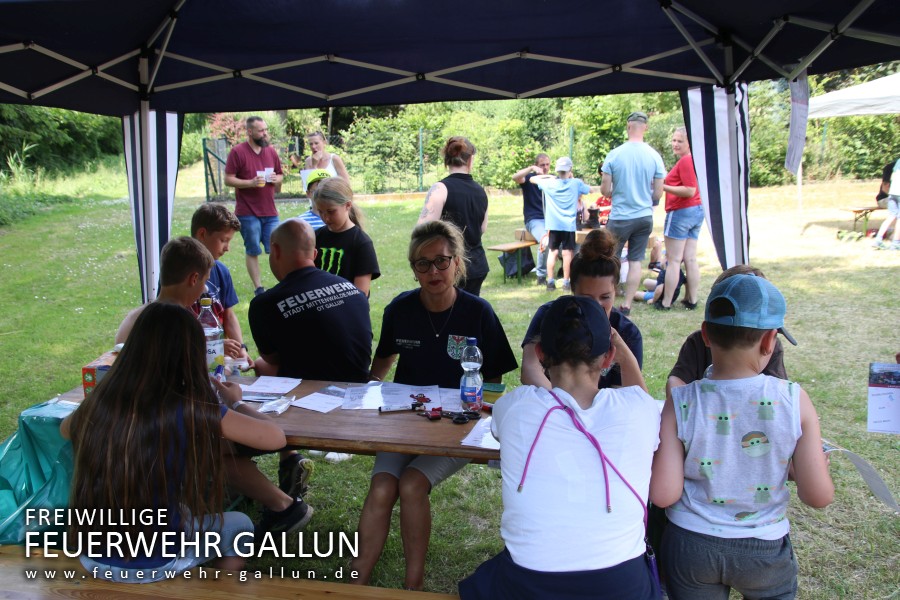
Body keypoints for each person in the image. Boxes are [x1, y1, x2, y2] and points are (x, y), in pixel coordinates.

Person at [61, 303, 288, 582]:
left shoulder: (100, 404)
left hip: (92, 557)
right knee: (239, 525)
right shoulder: (191, 409)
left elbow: (65, 429)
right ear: (189, 356)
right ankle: (217, 590)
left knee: (182, 512)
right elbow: (275, 438)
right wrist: (235, 402)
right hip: (155, 563)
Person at [352, 220, 518, 590]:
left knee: (411, 483)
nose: (433, 272)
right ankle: (355, 580)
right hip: (405, 421)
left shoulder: (479, 312)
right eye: (422, 264)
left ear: (458, 263)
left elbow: (494, 384)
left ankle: (414, 585)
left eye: (441, 261)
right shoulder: (400, 309)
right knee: (381, 487)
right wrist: (359, 395)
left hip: (457, 425)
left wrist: (476, 414)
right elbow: (379, 369)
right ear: (413, 269)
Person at [114, 237, 316, 539]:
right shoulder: (181, 327)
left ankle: (274, 503)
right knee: (213, 448)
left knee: (214, 446)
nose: (206, 290)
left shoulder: (139, 318)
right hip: (176, 431)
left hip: (142, 431)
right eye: (206, 282)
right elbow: (271, 436)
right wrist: (233, 402)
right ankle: (279, 504)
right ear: (194, 278)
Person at [459, 296, 659, 600]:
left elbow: (533, 399)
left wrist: (531, 350)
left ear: (541, 354)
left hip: (530, 586)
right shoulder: (639, 409)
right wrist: (624, 355)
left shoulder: (515, 408)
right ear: (609, 358)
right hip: (622, 586)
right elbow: (640, 397)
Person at [650, 274, 834, 600]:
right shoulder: (794, 400)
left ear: (705, 334)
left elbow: (663, 495)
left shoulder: (679, 402)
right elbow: (818, 496)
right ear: (770, 342)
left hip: (691, 546)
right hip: (764, 549)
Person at [249, 218, 372, 383]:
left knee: (260, 364)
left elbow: (271, 359)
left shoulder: (264, 304)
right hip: (358, 385)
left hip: (312, 392)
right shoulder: (353, 289)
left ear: (276, 250)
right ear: (314, 254)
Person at [521, 228, 643, 390]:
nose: (596, 306)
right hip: (552, 408)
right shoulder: (551, 316)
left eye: (605, 297)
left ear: (615, 290)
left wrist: (624, 354)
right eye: (587, 299)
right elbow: (529, 370)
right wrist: (563, 405)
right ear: (573, 291)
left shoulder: (627, 333)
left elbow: (627, 395)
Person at [666, 265, 792, 398]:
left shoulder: (773, 345)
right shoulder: (696, 342)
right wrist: (682, 405)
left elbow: (779, 389)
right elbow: (676, 381)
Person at [599, 111, 665, 316]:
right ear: (645, 128)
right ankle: (627, 304)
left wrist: (614, 193)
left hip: (620, 216)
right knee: (636, 260)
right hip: (644, 216)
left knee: (611, 258)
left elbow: (604, 189)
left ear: (628, 126)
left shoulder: (615, 154)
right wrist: (648, 199)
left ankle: (609, 294)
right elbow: (658, 191)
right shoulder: (654, 155)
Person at [417, 136, 490, 296]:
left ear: (447, 160)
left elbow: (422, 230)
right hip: (476, 265)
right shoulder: (480, 190)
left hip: (448, 267)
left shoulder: (440, 188)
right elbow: (482, 228)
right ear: (470, 160)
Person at [115, 236, 214, 344]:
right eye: (205, 281)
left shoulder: (134, 318)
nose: (204, 289)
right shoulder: (186, 325)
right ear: (194, 279)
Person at [224, 116, 284, 296]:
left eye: (266, 130)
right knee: (253, 250)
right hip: (247, 212)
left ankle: (284, 282)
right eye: (261, 131)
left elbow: (280, 175)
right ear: (250, 132)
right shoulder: (237, 152)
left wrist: (276, 178)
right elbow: (228, 179)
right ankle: (259, 288)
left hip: (270, 211)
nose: (265, 133)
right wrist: (250, 182)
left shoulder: (271, 152)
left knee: (278, 247)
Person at [189, 203, 253, 366]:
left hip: (219, 357)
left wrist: (241, 349)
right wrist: (214, 346)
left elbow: (229, 316)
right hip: (191, 357)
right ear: (202, 234)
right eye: (223, 240)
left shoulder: (221, 271)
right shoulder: (181, 272)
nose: (227, 248)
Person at [658, 126, 704, 309]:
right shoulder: (694, 160)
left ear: (689, 143)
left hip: (681, 212)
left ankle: (666, 302)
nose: (675, 144)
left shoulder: (686, 161)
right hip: (697, 211)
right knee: (690, 258)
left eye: (680, 141)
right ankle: (691, 300)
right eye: (674, 140)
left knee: (674, 259)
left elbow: (689, 190)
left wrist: (663, 186)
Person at [530, 157, 591, 291]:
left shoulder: (550, 184)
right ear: (570, 169)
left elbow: (532, 179)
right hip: (568, 225)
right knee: (567, 253)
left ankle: (550, 282)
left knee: (552, 252)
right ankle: (566, 282)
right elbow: (588, 189)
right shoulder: (576, 183)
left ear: (557, 170)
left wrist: (548, 177)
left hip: (553, 225)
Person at [313, 177, 381, 296]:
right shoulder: (315, 237)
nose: (325, 218)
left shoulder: (361, 243)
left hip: (348, 311)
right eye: (321, 211)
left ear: (348, 205)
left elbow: (361, 292)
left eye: (331, 211)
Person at [512, 153, 552, 285]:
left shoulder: (552, 180)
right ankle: (541, 276)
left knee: (568, 240)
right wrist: (531, 168)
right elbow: (515, 177)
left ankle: (563, 273)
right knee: (545, 241)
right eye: (542, 165)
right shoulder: (529, 178)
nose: (545, 167)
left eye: (547, 164)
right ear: (537, 165)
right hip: (534, 219)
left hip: (552, 219)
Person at [872, 157, 900, 250]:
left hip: (892, 194)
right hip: (895, 195)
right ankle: (895, 242)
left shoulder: (897, 163)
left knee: (891, 216)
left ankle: (878, 239)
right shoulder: (890, 166)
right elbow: (885, 187)